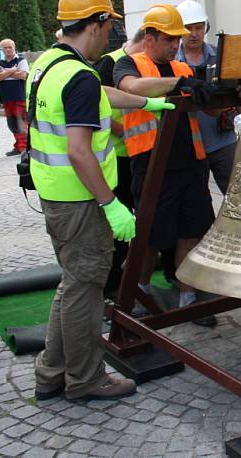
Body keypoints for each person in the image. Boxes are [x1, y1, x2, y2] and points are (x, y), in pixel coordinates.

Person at [29, 0, 175, 402]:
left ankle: (51, 373)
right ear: (95, 24)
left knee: (73, 283)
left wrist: (143, 104)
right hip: (82, 200)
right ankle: (86, 379)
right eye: (107, 25)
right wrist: (111, 205)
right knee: (86, 290)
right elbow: (79, 150)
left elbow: (96, 94)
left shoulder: (49, 64)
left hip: (57, 196)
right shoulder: (76, 73)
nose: (109, 35)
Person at [113, 3, 217, 327]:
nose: (176, 44)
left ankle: (188, 300)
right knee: (149, 239)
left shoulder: (184, 69)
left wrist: (222, 95)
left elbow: (210, 110)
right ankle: (135, 295)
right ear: (150, 37)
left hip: (192, 164)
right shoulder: (130, 64)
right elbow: (130, 88)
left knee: (192, 233)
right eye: (169, 38)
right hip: (152, 165)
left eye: (178, 38)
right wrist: (178, 84)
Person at [94, 29, 146, 299]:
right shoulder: (109, 63)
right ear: (141, 41)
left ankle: (132, 278)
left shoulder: (140, 64)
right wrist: (122, 130)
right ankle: (112, 285)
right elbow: (98, 105)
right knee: (119, 227)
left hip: (139, 155)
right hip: (118, 158)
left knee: (142, 220)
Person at [175, 0, 237, 193]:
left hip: (223, 141)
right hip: (191, 147)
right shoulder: (172, 62)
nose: (194, 33)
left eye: (198, 27)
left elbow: (238, 94)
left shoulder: (221, 55)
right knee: (198, 203)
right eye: (188, 28)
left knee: (236, 197)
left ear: (205, 27)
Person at [0, 39, 29, 156]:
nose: (8, 49)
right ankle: (18, 146)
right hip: (6, 97)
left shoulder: (21, 60)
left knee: (21, 122)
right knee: (12, 123)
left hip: (19, 96)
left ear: (14, 47)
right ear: (1, 49)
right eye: (5, 47)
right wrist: (13, 70)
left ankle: (25, 146)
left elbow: (23, 75)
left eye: (10, 47)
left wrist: (5, 72)